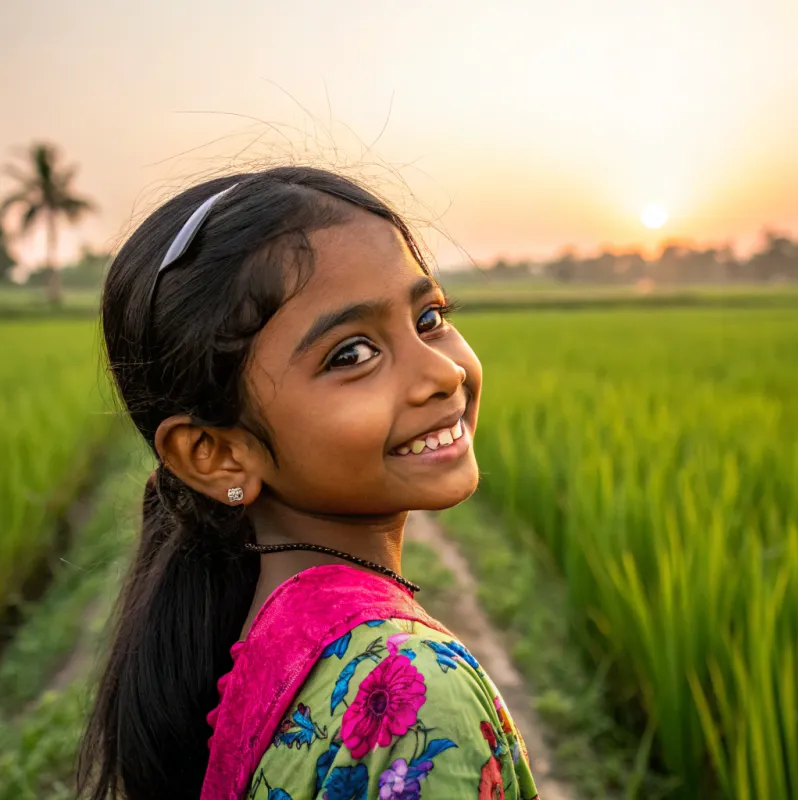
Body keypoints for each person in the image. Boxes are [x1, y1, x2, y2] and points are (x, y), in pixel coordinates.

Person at [77, 167, 540, 800]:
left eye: (429, 317)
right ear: (215, 454)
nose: (440, 373)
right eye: (351, 354)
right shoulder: (414, 693)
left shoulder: (263, 622)